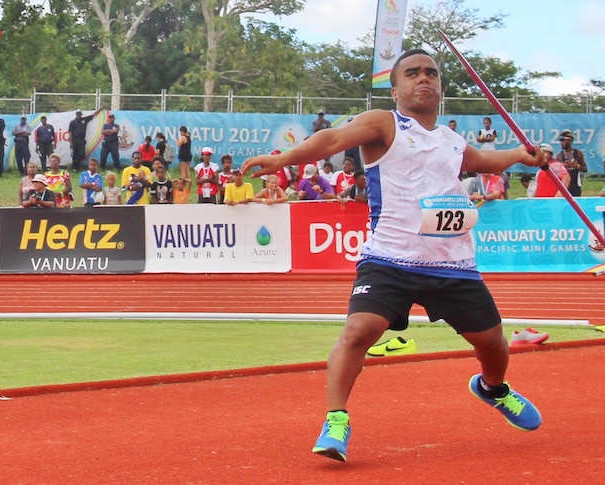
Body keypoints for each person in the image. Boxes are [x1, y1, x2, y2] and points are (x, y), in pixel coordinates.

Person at [241, 49, 544, 463]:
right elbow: (330, 140)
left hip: (451, 261)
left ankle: (493, 389)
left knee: (493, 344)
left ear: (440, 87)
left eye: (431, 74)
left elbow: (483, 160)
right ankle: (336, 421)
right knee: (359, 332)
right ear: (396, 87)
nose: (424, 79)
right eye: (413, 73)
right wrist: (284, 159)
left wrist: (520, 156)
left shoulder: (451, 140)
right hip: (390, 258)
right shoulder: (384, 123)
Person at [68, 107, 102, 172]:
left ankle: (75, 164)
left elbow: (93, 114)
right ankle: (75, 168)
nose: (78, 115)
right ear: (76, 114)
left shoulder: (84, 120)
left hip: (81, 140)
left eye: (79, 114)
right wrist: (71, 142)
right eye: (77, 114)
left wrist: (101, 108)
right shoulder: (72, 122)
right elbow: (70, 132)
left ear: (81, 114)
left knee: (82, 153)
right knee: (75, 154)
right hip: (74, 140)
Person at [556, 130, 586, 196]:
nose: (561, 143)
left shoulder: (578, 153)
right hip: (564, 184)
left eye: (563, 140)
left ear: (569, 141)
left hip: (575, 185)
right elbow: (555, 171)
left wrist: (577, 166)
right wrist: (563, 166)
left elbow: (585, 169)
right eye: (561, 141)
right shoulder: (560, 155)